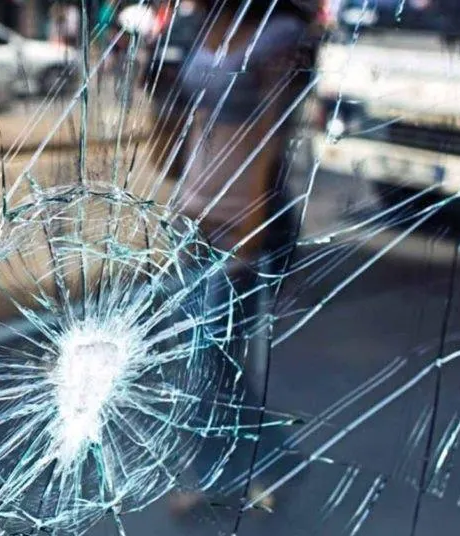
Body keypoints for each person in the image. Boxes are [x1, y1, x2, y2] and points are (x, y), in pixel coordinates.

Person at [163, 0, 320, 514]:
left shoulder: (280, 33)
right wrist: (181, 201)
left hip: (246, 219)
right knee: (207, 363)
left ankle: (256, 466)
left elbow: (274, 137)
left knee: (213, 361)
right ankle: (241, 470)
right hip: (196, 206)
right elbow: (192, 119)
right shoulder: (203, 28)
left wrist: (251, 229)